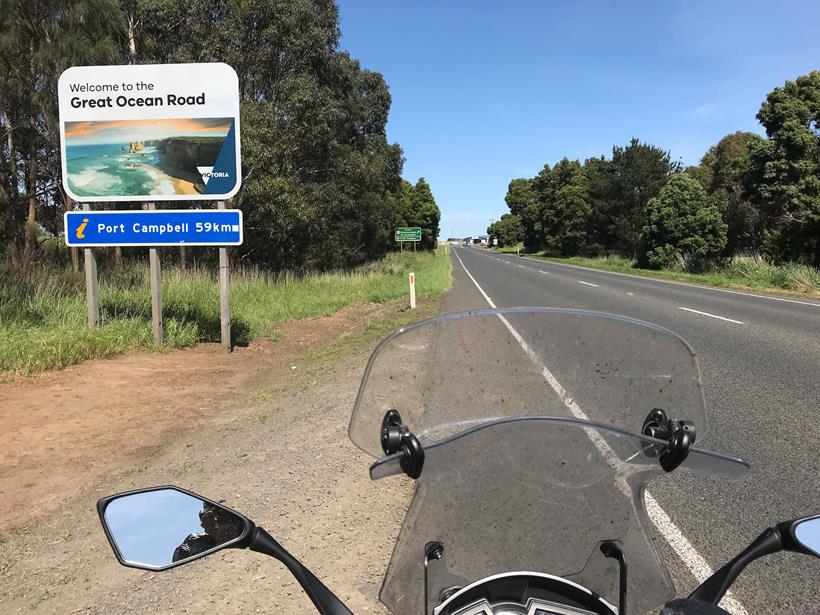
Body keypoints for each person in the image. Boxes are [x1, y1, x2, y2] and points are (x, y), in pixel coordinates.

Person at [172, 503, 244, 562]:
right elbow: (180, 566)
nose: (221, 519)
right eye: (218, 515)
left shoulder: (245, 528)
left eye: (226, 514)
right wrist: (216, 536)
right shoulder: (196, 542)